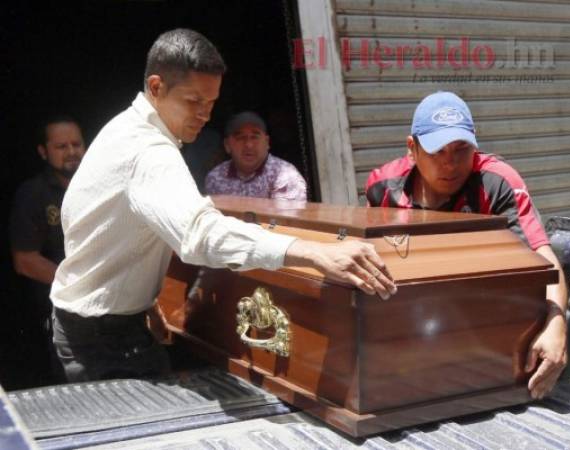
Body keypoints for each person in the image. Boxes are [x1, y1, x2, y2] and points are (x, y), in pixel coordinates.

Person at [50, 28, 396, 382]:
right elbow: (200, 234)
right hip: (104, 341)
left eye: (211, 103)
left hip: (104, 326)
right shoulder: (148, 153)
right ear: (156, 88)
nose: (204, 115)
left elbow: (101, 225)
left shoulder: (122, 129)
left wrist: (140, 300)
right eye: (193, 101)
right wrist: (315, 252)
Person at [366, 91, 568, 400]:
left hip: (484, 322)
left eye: (461, 149)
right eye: (437, 151)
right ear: (412, 149)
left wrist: (556, 325)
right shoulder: (382, 187)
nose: (450, 164)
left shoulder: (498, 182)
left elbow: (543, 260)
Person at [9, 116, 86, 384]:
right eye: (61, 146)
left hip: (108, 310)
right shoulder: (32, 193)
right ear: (43, 152)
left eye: (77, 144)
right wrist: (83, 286)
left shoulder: (98, 187)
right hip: (59, 312)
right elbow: (25, 260)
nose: (72, 152)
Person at [204, 111, 307, 200]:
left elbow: (286, 222)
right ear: (227, 145)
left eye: (254, 137)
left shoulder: (286, 176)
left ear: (267, 142)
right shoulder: (216, 178)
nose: (249, 144)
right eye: (240, 138)